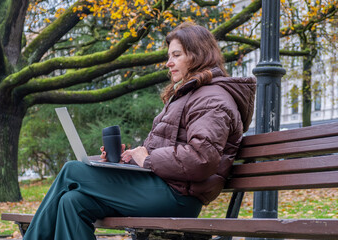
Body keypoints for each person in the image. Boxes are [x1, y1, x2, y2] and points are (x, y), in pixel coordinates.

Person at [23, 22, 256, 240]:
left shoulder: (213, 99)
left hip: (179, 198)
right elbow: (159, 155)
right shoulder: (188, 96)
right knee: (72, 201)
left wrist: (147, 160)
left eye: (176, 55)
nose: (168, 63)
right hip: (161, 189)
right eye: (169, 56)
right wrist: (128, 160)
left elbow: (202, 158)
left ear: (198, 56)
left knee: (72, 171)